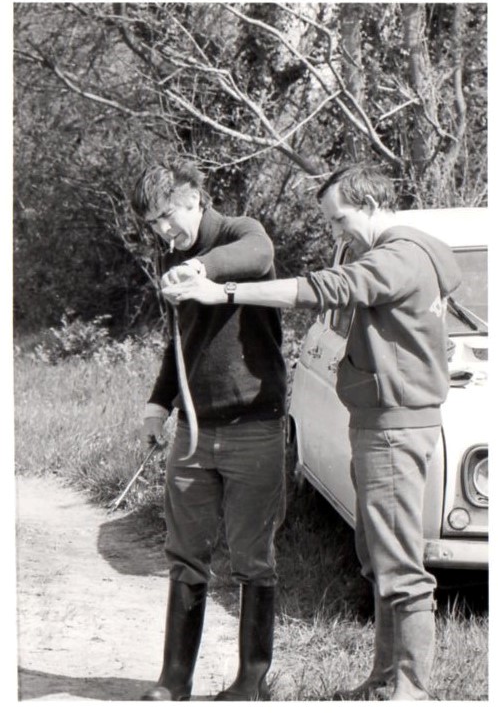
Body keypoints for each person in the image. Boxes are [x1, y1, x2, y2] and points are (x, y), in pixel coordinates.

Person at [163, 163, 462, 701]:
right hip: (378, 424)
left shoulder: (398, 256)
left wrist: (224, 293)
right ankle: (383, 681)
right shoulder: (402, 254)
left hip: (393, 429)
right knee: (378, 560)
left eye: (340, 219)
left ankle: (412, 692)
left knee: (400, 568)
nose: (336, 232)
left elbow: (326, 289)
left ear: (372, 204)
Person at [130, 159, 287, 702]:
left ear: (194, 196)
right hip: (194, 433)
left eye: (167, 215)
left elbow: (259, 255)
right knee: (185, 553)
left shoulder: (239, 232)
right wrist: (157, 404)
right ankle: (174, 681)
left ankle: (251, 682)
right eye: (153, 223)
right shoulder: (170, 257)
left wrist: (201, 269)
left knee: (252, 558)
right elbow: (180, 341)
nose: (164, 230)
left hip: (255, 424)